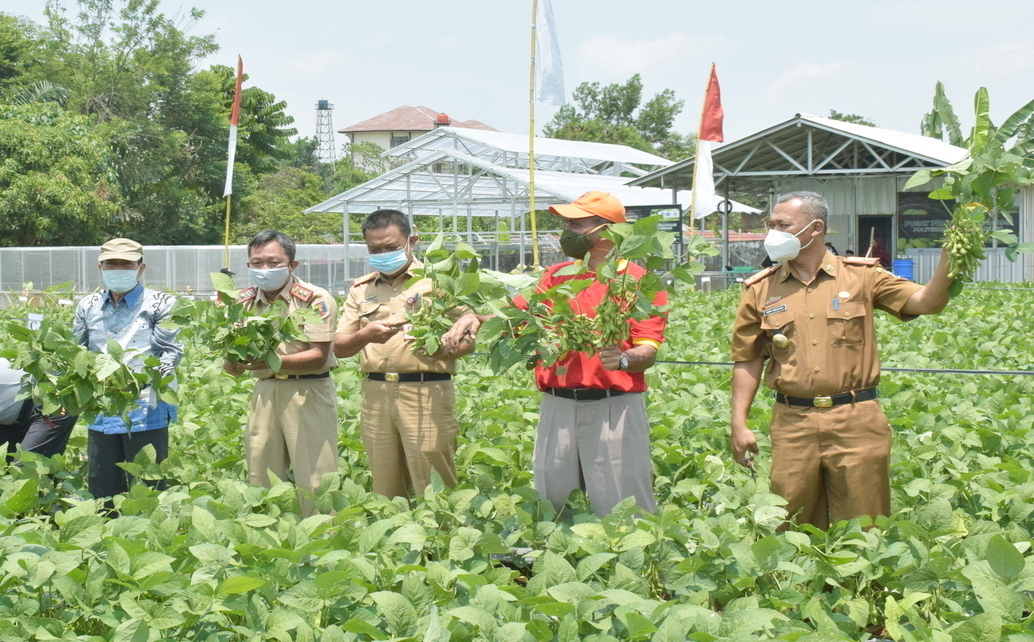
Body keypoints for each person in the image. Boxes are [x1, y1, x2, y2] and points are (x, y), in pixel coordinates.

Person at [730, 191, 956, 529]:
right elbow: (747, 359)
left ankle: (865, 585)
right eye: (770, 225)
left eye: (782, 225)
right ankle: (799, 585)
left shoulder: (863, 276)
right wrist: (738, 422)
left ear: (815, 227)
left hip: (857, 420)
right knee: (789, 524)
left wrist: (951, 259)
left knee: (866, 526)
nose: (772, 234)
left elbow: (927, 302)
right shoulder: (761, 289)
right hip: (793, 422)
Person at [444, 191, 667, 518]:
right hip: (558, 404)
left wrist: (624, 358)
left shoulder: (639, 281)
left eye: (576, 224)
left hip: (613, 407)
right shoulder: (556, 275)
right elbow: (515, 319)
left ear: (606, 230)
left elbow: (648, 348)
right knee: (553, 505)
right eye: (566, 223)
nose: (566, 232)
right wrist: (474, 318)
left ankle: (635, 568)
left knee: (625, 510)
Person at [334, 210, 476, 499]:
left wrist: (443, 348)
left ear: (412, 241)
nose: (383, 254)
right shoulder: (361, 289)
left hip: (426, 390)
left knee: (434, 481)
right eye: (375, 249)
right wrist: (366, 335)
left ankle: (439, 539)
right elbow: (340, 345)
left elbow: (468, 340)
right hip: (375, 392)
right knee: (386, 484)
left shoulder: (438, 282)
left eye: (391, 247)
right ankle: (394, 540)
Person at [224, 230, 339, 517]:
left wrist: (268, 360)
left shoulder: (314, 299)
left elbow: (318, 355)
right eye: (256, 263)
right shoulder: (242, 303)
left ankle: (323, 540)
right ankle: (269, 540)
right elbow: (231, 365)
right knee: (260, 473)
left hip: (307, 391)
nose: (265, 270)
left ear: (292, 265)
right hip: (264, 392)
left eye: (273, 262)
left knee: (315, 477)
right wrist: (236, 362)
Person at [73, 238, 182, 498]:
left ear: (140, 268)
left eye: (126, 263)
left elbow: (172, 351)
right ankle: (105, 531)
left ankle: (146, 534)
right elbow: (78, 350)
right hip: (101, 406)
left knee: (147, 483)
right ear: (100, 267)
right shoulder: (88, 305)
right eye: (111, 264)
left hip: (146, 404)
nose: (118, 268)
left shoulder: (160, 303)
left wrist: (149, 377)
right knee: (102, 481)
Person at [0, 358, 78, 460]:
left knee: (24, 467)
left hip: (50, 400)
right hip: (13, 417)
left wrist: (58, 390)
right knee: (7, 469)